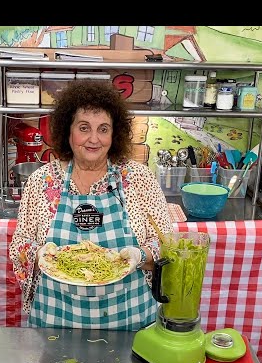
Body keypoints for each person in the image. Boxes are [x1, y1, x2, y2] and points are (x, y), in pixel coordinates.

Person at [9, 79, 173, 331]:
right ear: (68, 131)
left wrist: (140, 256)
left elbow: (167, 243)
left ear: (114, 134)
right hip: (56, 320)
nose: (93, 139)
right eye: (84, 128)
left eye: (103, 129)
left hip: (129, 321)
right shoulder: (41, 181)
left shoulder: (138, 179)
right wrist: (38, 254)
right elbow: (20, 244)